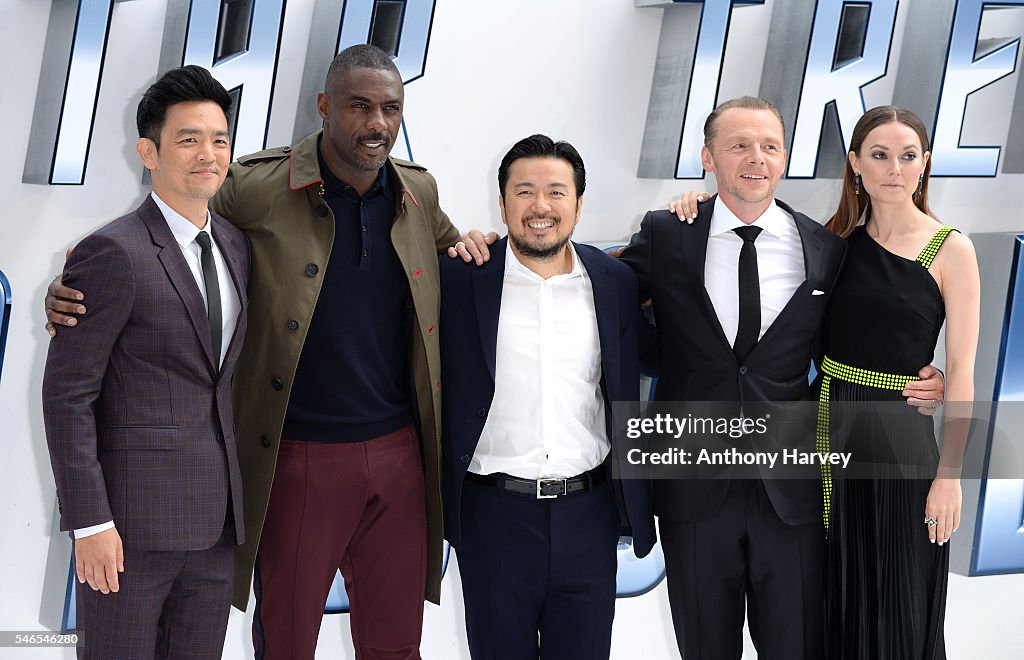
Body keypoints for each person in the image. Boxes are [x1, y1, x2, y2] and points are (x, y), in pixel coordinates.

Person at [44, 45, 495, 660]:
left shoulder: (417, 193)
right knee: (285, 643)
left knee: (397, 647)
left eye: (391, 108)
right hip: (298, 457)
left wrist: (476, 240)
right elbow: (175, 228)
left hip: (398, 456)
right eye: (360, 106)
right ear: (323, 107)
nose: (377, 123)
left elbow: (450, 249)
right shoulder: (256, 186)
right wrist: (76, 286)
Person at [618, 96, 946, 660]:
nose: (756, 158)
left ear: (785, 157)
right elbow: (605, 305)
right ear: (707, 156)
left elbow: (859, 337)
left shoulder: (826, 249)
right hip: (692, 489)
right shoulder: (667, 234)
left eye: (769, 146)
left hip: (792, 495)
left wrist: (920, 378)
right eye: (738, 145)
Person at [41, 65, 249, 659]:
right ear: (148, 151)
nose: (207, 154)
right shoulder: (114, 251)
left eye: (219, 139)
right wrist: (90, 523)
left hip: (215, 527)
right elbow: (68, 396)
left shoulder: (237, 246)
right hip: (128, 529)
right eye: (188, 139)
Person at [439, 134, 656, 659]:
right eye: (525, 191)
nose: (541, 207)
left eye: (557, 192)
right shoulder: (459, 276)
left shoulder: (615, 282)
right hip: (494, 518)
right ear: (503, 202)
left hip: (589, 515)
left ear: (579, 204)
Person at [814, 106, 977, 659]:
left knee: (902, 602)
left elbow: (961, 373)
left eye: (908, 156)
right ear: (855, 164)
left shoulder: (949, 248)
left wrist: (950, 476)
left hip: (904, 447)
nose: (894, 169)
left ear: (926, 164)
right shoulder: (830, 244)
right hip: (826, 437)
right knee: (830, 604)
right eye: (879, 156)